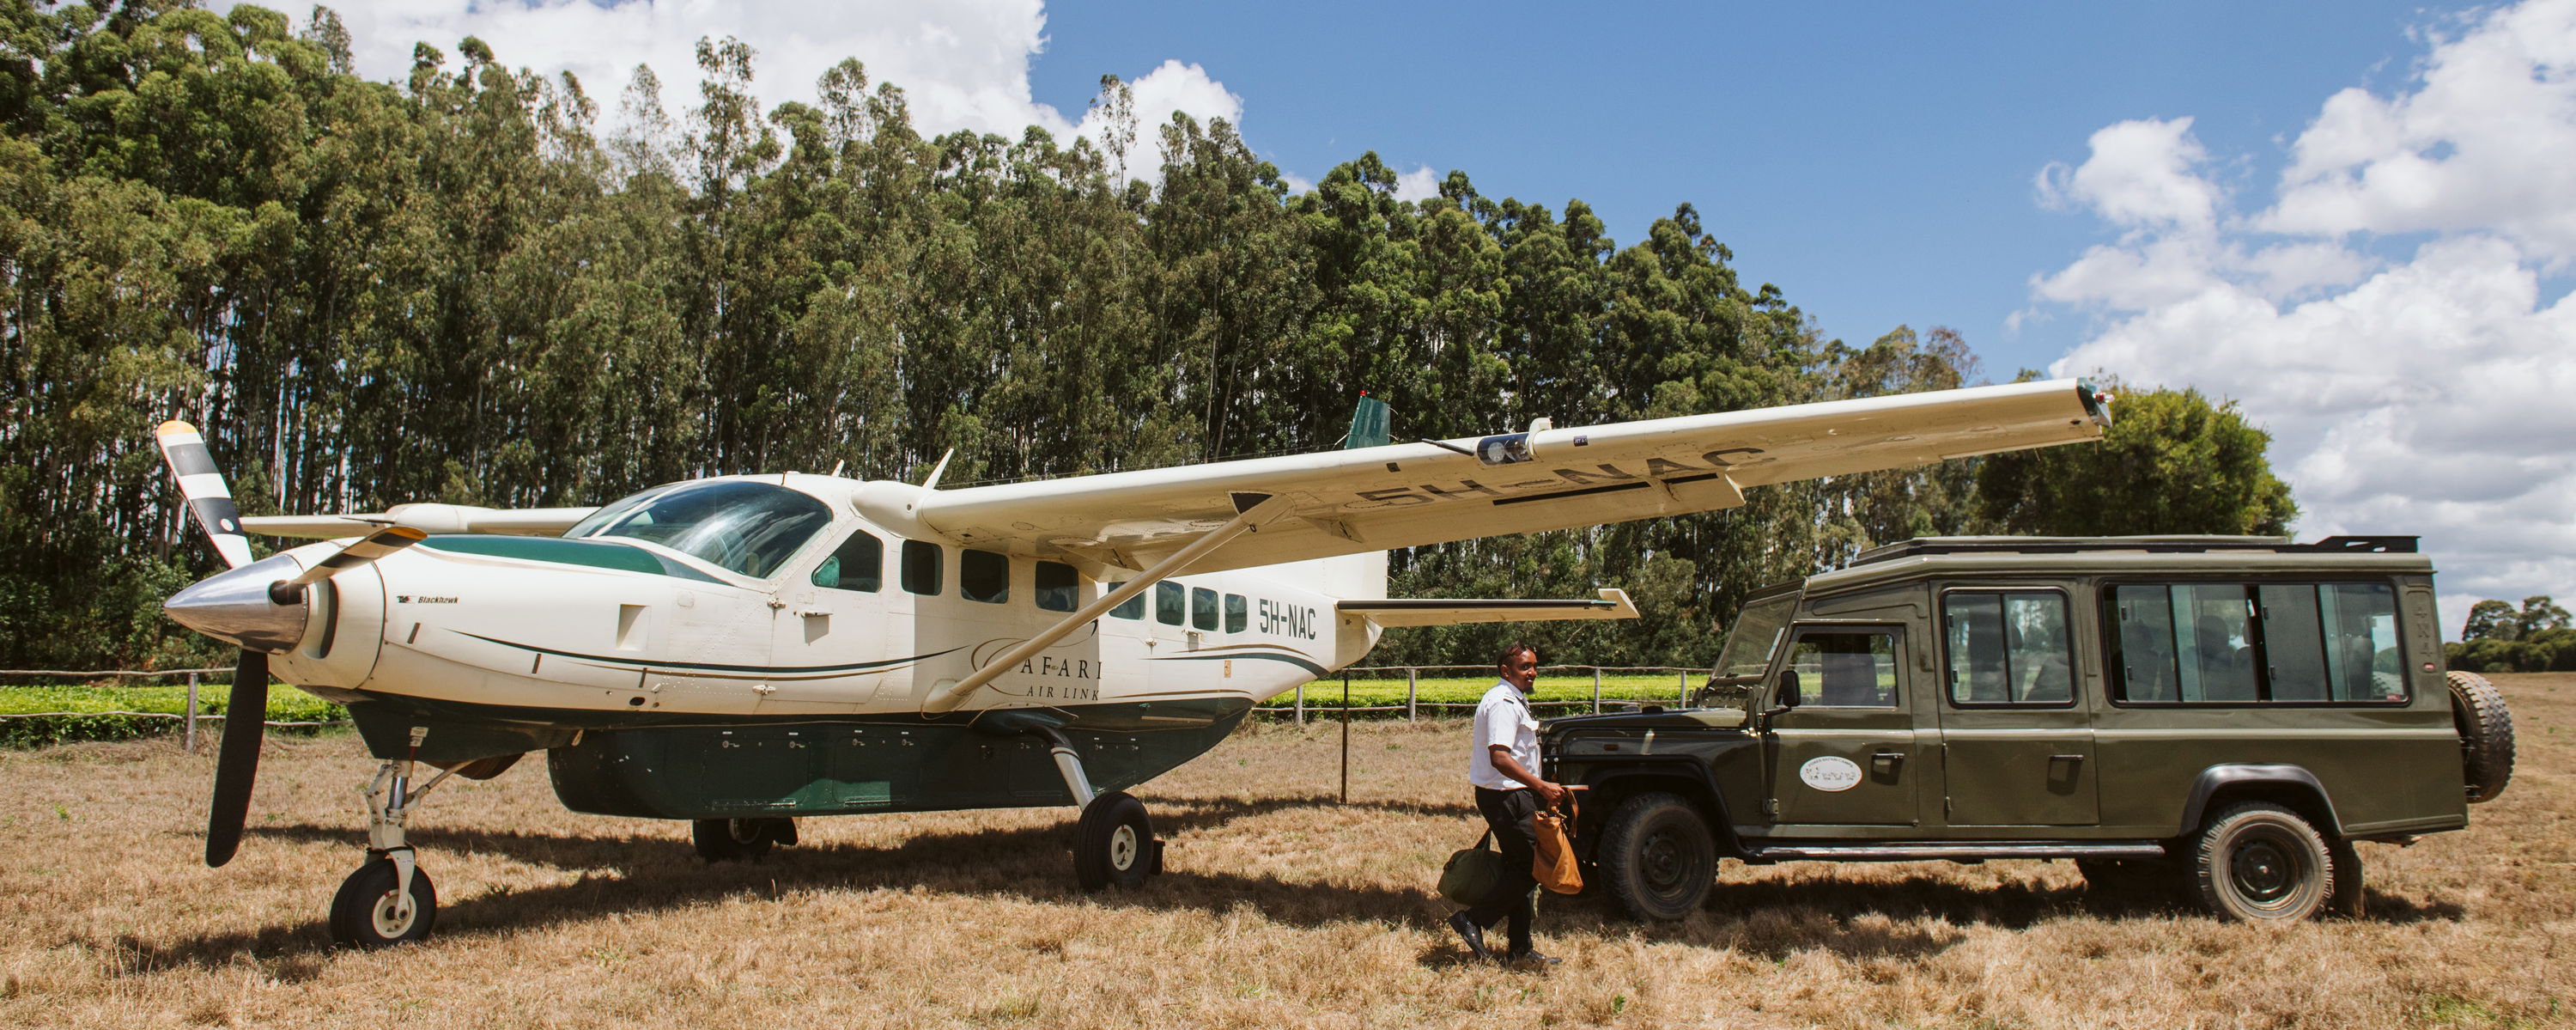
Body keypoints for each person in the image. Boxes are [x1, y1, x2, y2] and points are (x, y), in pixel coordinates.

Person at [1449, 643, 1567, 967]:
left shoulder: (1515, 699)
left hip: (1513, 794)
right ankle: (1473, 920)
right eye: (1525, 667)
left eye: (1534, 666)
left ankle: (1520, 948)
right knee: (1534, 866)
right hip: (1507, 796)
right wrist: (1541, 786)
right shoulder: (1502, 703)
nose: (1533, 672)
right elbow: (1499, 757)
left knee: (1520, 867)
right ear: (1506, 670)